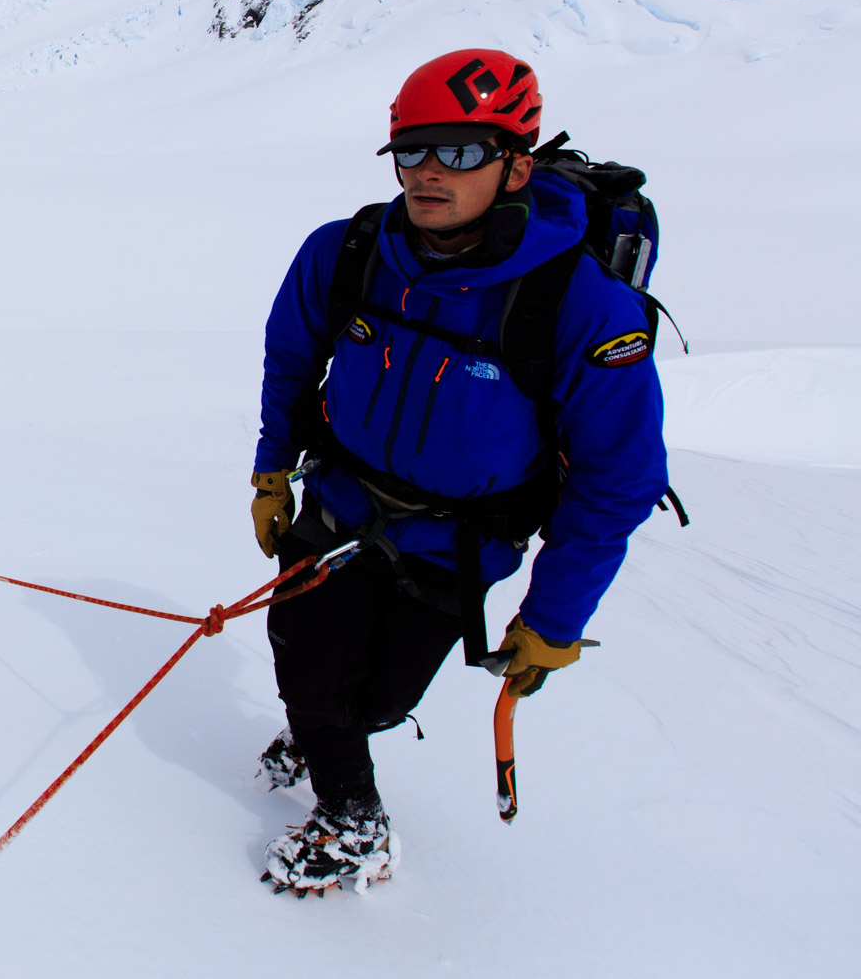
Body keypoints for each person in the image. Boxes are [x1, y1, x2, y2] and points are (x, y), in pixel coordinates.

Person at [247, 48, 668, 895]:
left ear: (516, 165)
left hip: (460, 543)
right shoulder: (347, 255)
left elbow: (615, 477)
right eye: (414, 151)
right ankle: (352, 815)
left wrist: (555, 617)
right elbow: (291, 362)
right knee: (304, 659)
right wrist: (272, 473)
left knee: (376, 701)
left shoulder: (581, 305)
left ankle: (331, 727)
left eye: (463, 152)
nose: (430, 173)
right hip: (338, 503)